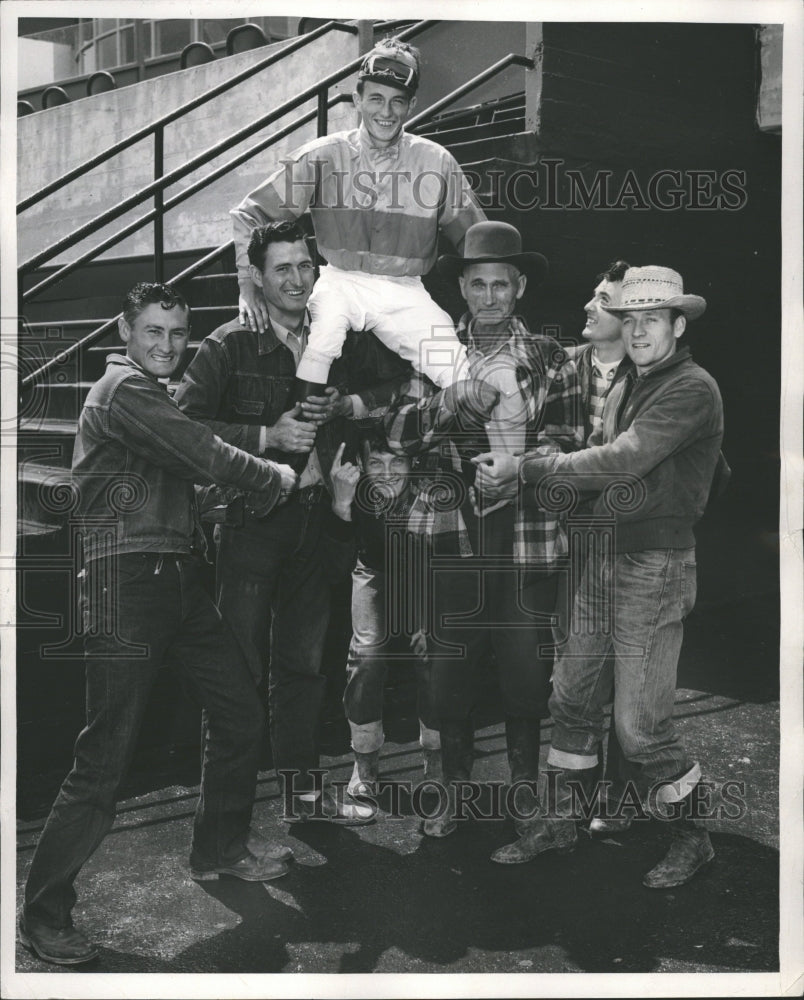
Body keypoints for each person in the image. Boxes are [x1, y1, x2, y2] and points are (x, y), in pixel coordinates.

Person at [20, 283, 299, 967]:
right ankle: (43, 915)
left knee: (238, 711)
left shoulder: (151, 396)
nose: (167, 346)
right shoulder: (123, 392)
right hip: (126, 588)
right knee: (104, 759)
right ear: (125, 331)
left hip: (174, 581)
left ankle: (219, 851)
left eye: (178, 334)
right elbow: (203, 450)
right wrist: (276, 477)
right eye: (153, 332)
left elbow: (188, 470)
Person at [479, 265, 723, 888]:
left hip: (653, 565)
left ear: (678, 323)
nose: (639, 330)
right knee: (573, 697)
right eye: (631, 318)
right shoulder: (627, 386)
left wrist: (533, 467)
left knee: (639, 727)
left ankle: (691, 834)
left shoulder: (691, 388)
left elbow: (624, 459)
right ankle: (562, 819)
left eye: (652, 319)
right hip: (596, 555)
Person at [174, 222, 408, 826]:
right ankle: (223, 827)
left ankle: (302, 803)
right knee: (238, 674)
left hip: (317, 523)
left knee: (303, 671)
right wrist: (263, 436)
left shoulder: (340, 340)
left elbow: (400, 387)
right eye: (282, 269)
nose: (297, 280)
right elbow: (180, 434)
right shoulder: (226, 346)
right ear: (258, 275)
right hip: (250, 527)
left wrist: (348, 405)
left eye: (305, 266)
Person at [382, 220, 585, 855]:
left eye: (502, 283)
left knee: (527, 678)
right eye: (478, 284)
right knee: (447, 676)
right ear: (462, 288)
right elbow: (398, 433)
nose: (490, 295)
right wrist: (449, 405)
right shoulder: (435, 352)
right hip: (453, 539)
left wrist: (519, 474)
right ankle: (449, 792)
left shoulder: (554, 358)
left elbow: (573, 441)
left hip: (523, 539)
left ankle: (527, 801)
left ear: (519, 286)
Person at [230, 37, 486, 402]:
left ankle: (493, 458)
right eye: (376, 98)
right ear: (357, 98)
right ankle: (299, 435)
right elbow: (250, 213)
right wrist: (247, 284)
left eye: (398, 101)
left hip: (405, 290)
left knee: (457, 369)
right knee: (322, 344)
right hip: (340, 280)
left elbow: (475, 238)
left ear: (411, 105)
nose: (387, 111)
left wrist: (483, 296)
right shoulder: (322, 155)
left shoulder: (437, 162)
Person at [343, 428, 440, 797]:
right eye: (376, 462)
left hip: (422, 573)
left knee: (432, 652)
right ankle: (364, 762)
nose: (387, 471)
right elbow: (335, 559)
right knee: (367, 656)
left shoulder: (430, 493)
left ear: (411, 462)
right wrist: (339, 507)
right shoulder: (349, 489)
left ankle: (436, 760)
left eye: (396, 461)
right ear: (362, 465)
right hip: (373, 571)